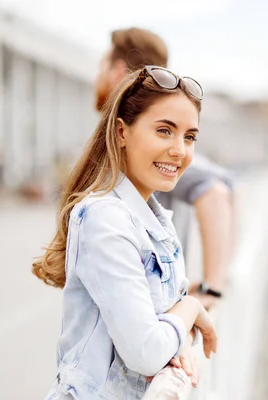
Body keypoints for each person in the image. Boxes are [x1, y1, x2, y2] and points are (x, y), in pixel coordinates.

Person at [33, 66, 217, 399]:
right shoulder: (105, 218)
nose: (180, 150)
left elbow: (159, 328)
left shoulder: (155, 220)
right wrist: (191, 309)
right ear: (121, 132)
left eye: (189, 137)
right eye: (164, 131)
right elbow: (146, 351)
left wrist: (179, 339)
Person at [94, 28, 234, 310]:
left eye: (188, 137)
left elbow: (217, 191)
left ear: (117, 70)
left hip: (153, 320)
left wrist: (211, 289)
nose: (180, 149)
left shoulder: (146, 147)